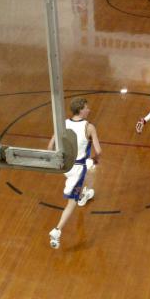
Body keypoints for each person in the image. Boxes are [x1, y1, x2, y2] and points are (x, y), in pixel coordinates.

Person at [48, 97, 102, 249]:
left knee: (89, 168)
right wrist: (96, 159)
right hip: (77, 169)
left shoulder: (63, 123)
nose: (89, 109)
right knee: (72, 202)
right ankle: (57, 230)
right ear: (81, 110)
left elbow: (50, 145)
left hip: (65, 166)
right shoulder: (89, 127)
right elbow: (98, 151)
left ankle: (84, 194)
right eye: (87, 107)